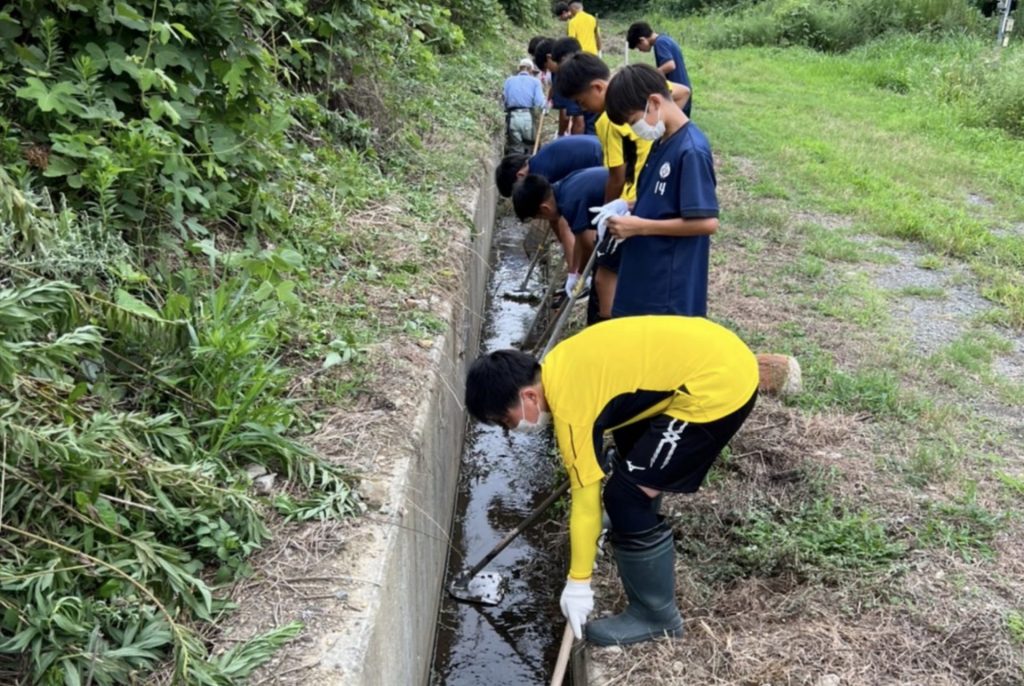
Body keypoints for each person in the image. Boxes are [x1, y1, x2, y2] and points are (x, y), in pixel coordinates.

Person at [464, 315, 759, 645]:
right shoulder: (560, 363)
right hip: (713, 353)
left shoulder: (571, 408)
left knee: (624, 496)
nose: (511, 429)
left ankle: (656, 616)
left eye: (507, 420)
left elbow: (585, 503)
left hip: (717, 386)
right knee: (630, 451)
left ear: (530, 397)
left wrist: (578, 583)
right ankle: (631, 522)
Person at [553, 52, 691, 321]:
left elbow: (616, 175)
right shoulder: (640, 88)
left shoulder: (607, 120)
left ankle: (608, 329)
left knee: (605, 277)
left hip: (632, 201)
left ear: (598, 87)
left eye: (582, 102)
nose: (584, 109)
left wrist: (606, 211)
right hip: (646, 199)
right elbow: (683, 91)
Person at [603, 64, 718, 318]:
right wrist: (626, 206)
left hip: (667, 287)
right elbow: (661, 199)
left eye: (634, 121)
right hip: (644, 275)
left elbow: (706, 222)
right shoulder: (662, 141)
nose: (635, 129)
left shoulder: (691, 150)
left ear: (654, 102)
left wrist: (641, 226)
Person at [511, 167, 608, 299]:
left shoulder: (569, 204)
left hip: (631, 204)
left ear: (544, 209)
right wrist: (573, 273)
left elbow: (588, 245)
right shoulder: (563, 187)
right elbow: (579, 238)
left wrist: (581, 276)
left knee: (602, 280)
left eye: (539, 217)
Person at [494, 135, 602, 198]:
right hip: (600, 145)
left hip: (601, 159)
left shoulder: (539, 174)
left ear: (520, 175)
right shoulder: (539, 159)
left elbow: (556, 208)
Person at [626, 22, 692, 117]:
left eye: (638, 47)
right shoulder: (665, 39)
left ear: (642, 40)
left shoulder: (660, 43)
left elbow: (670, 65)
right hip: (683, 88)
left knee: (675, 125)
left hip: (678, 92)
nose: (640, 50)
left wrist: (650, 75)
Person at [503, 58, 546, 155]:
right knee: (529, 146)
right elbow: (539, 102)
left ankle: (515, 166)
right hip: (527, 118)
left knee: (515, 149)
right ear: (531, 70)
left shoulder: (509, 80)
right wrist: (545, 108)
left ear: (519, 68)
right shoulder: (535, 82)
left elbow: (505, 99)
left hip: (513, 117)